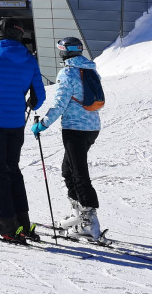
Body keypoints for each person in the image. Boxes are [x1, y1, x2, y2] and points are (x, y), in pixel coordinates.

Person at [0, 18, 46, 242]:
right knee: (12, 169)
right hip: (16, 123)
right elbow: (39, 96)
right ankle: (22, 222)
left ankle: (5, 223)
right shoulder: (29, 59)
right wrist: (29, 103)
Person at [31, 37, 103, 240]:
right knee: (68, 170)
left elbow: (60, 104)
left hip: (75, 129)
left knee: (79, 174)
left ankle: (89, 222)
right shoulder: (91, 70)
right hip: (92, 127)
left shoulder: (68, 73)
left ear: (64, 52)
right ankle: (78, 215)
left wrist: (43, 124)